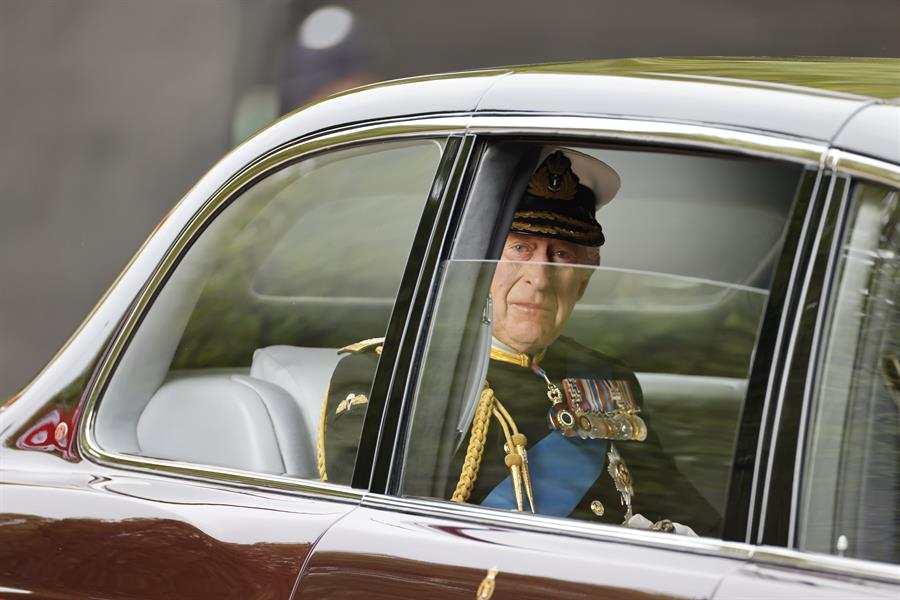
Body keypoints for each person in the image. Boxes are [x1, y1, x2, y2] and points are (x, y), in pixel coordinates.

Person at [318, 148, 721, 536]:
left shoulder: (606, 377)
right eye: (520, 248)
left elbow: (694, 518)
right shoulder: (389, 375)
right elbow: (381, 540)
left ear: (583, 281)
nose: (539, 278)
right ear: (478, 267)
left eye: (561, 255)